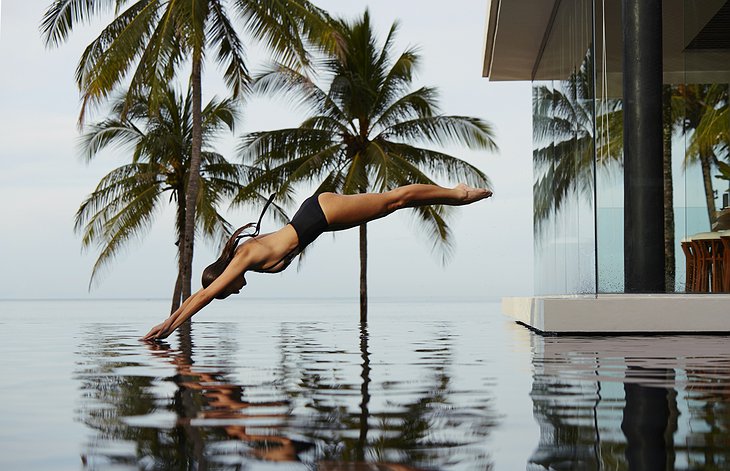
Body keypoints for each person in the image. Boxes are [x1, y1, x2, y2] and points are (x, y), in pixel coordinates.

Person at [143, 183, 492, 341]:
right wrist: (168, 321)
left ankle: (457, 194)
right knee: (390, 204)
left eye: (228, 290)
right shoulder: (243, 260)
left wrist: (168, 327)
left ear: (223, 278)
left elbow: (202, 296)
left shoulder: (243, 258)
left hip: (318, 215)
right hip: (317, 218)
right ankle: (454, 195)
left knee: (392, 201)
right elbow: (197, 295)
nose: (235, 291)